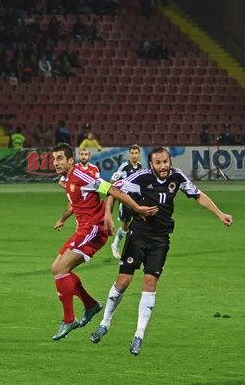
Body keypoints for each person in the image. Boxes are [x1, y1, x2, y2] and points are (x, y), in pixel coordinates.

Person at [90, 147, 233, 355]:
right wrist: (108, 216)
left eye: (166, 161)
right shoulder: (140, 178)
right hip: (138, 236)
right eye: (158, 163)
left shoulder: (177, 177)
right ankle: (105, 323)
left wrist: (219, 214)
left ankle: (139, 334)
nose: (163, 166)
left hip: (160, 240)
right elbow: (111, 189)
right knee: (123, 282)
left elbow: (198, 195)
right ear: (151, 165)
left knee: (150, 283)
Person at [50, 143, 158, 340]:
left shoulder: (81, 176)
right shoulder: (68, 179)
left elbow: (111, 189)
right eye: (54, 159)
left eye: (60, 159)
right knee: (56, 267)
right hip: (82, 230)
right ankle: (90, 305)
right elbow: (75, 203)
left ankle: (69, 320)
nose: (56, 163)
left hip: (92, 230)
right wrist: (63, 219)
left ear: (70, 160)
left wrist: (135, 208)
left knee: (61, 270)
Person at [110, 145, 143, 259]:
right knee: (126, 224)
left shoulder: (140, 166)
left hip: (136, 200)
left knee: (138, 223)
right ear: (129, 154)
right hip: (125, 200)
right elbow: (112, 181)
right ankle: (115, 244)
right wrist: (120, 192)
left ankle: (135, 248)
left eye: (136, 153)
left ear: (139, 154)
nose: (134, 155)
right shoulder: (124, 166)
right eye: (132, 153)